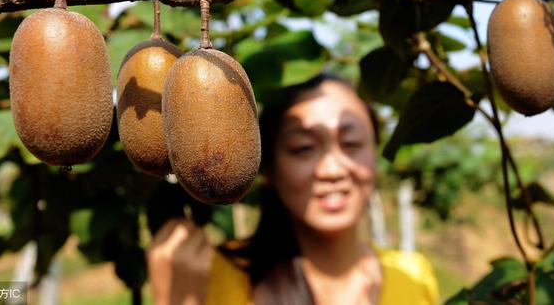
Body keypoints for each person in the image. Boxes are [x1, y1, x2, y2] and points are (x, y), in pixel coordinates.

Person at [147, 74, 438, 305]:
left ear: (374, 153)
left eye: (351, 144)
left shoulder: (414, 275)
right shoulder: (210, 274)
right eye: (304, 148)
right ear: (268, 167)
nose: (333, 170)